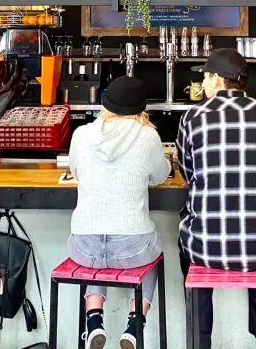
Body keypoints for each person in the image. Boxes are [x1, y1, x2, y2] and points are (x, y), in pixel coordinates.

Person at [177, 48, 256, 349]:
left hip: (204, 248)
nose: (202, 83)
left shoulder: (193, 117)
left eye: (204, 76)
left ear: (217, 79)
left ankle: (200, 340)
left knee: (189, 245)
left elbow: (189, 176)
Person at [68, 76, 170, 349]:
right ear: (141, 108)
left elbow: (76, 172)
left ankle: (93, 321)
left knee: (95, 260)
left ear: (105, 104)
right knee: (152, 249)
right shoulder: (148, 136)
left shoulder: (81, 135)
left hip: (83, 245)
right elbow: (160, 176)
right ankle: (135, 324)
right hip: (132, 248)